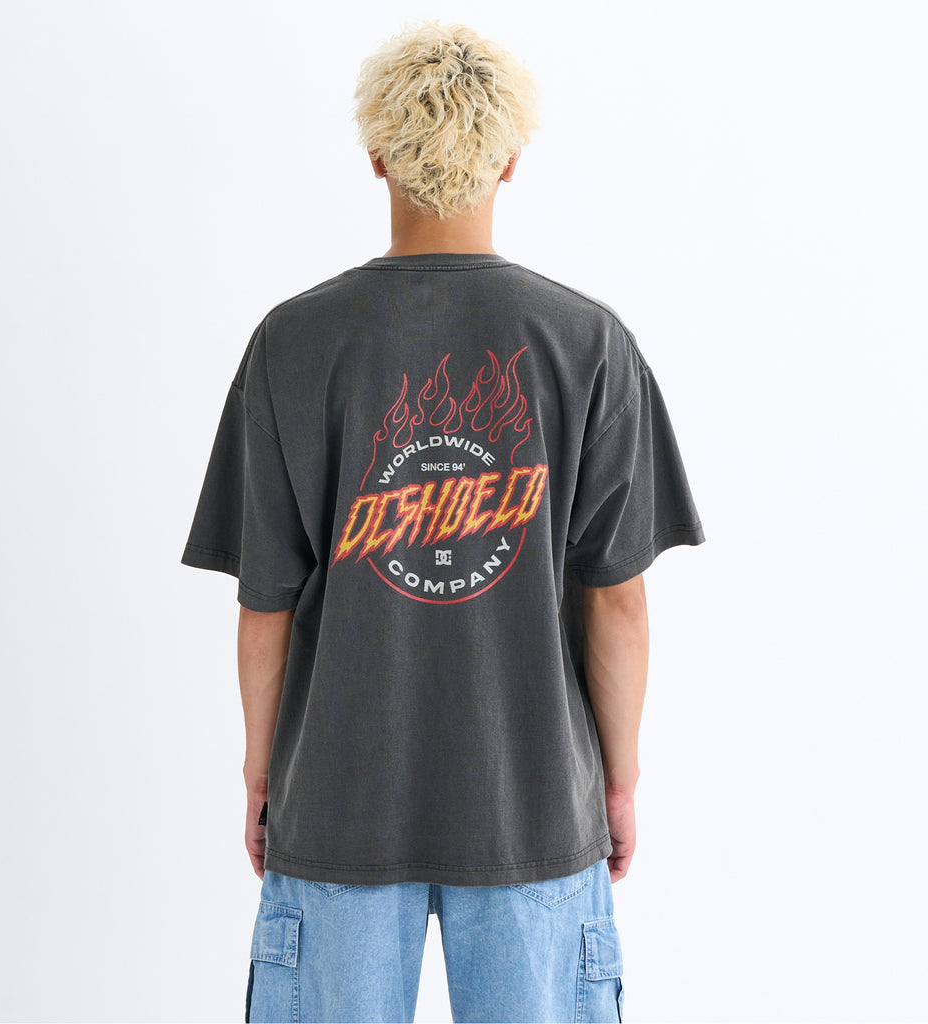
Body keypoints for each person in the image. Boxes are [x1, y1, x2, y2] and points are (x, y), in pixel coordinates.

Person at [181, 20, 705, 1024]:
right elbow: (619, 602)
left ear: (375, 154)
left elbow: (265, 604)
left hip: (337, 800)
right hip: (533, 805)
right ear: (510, 160)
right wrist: (618, 780)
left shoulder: (293, 341)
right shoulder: (588, 344)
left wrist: (261, 771)